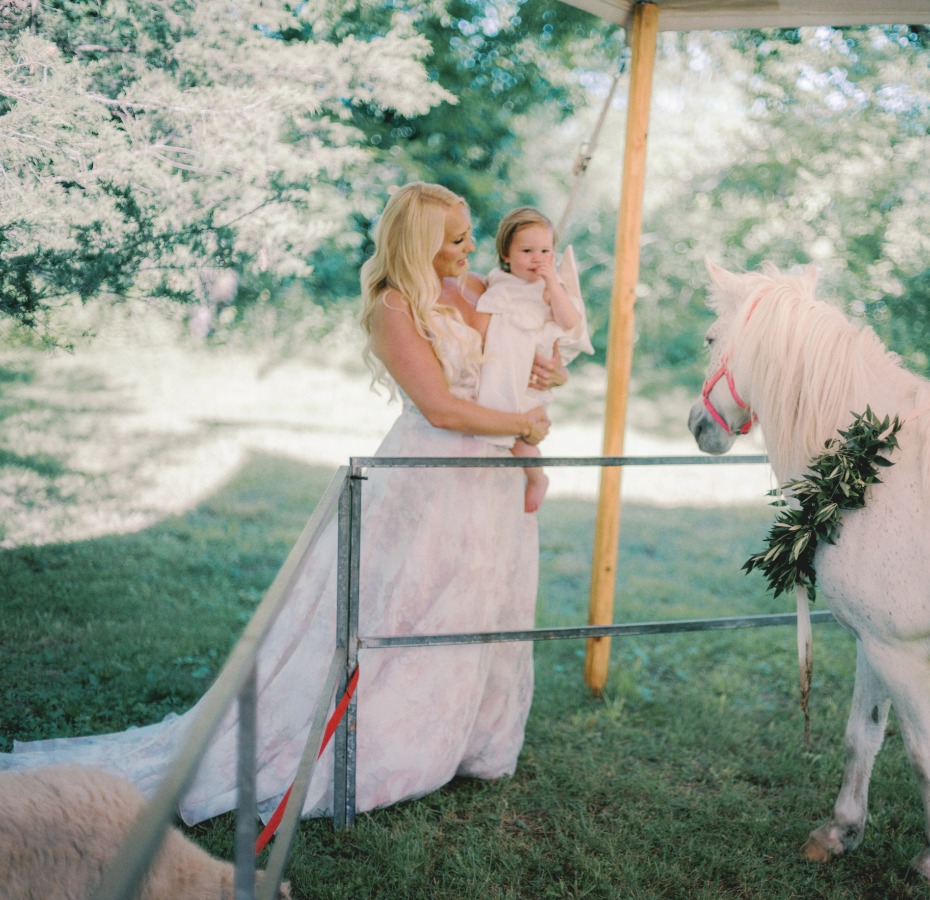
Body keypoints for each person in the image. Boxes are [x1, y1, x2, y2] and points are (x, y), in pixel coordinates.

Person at [1, 182, 567, 825]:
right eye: (457, 239)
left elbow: (524, 353)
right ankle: (393, 743)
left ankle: (465, 736)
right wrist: (518, 423)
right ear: (419, 246)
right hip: (429, 478)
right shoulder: (393, 307)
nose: (472, 247)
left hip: (491, 477)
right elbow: (439, 408)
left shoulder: (473, 291)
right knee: (406, 608)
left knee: (479, 603)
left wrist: (546, 372)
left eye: (469, 234)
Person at [475, 206, 594, 513]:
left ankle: (536, 476)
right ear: (506, 254)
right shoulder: (497, 284)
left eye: (545, 250)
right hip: (505, 369)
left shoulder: (549, 289)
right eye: (527, 250)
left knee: (524, 431)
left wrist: (553, 284)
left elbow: (570, 322)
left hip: (533, 377)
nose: (537, 258)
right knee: (501, 424)